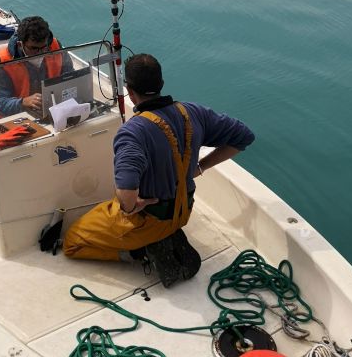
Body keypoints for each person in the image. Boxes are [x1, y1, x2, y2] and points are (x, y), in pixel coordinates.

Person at [63, 53, 255, 287]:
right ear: (161, 84)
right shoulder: (193, 112)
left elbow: (126, 194)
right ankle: (165, 235)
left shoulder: (132, 133)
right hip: (183, 211)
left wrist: (132, 206)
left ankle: (140, 252)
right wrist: (200, 167)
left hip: (149, 219)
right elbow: (244, 137)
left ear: (129, 91)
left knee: (73, 242)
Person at [0, 16, 72, 118]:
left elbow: (70, 76)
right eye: (34, 48)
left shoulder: (55, 46)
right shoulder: (1, 62)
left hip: (53, 108)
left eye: (44, 48)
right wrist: (23, 102)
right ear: (20, 45)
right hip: (19, 116)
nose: (40, 53)